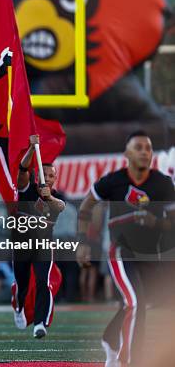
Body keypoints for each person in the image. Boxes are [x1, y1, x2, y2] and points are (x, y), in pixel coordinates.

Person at [76, 131, 175, 367]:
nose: (144, 152)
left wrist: (156, 222)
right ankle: (130, 361)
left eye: (148, 148)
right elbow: (86, 205)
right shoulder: (113, 181)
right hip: (121, 251)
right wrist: (82, 242)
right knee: (134, 303)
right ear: (127, 153)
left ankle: (110, 340)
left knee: (143, 301)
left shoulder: (162, 183)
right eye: (138, 147)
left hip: (151, 255)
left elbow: (172, 222)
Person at [12, 135, 66, 339]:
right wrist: (33, 149)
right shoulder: (27, 190)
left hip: (43, 246)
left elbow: (60, 207)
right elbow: (22, 170)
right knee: (22, 283)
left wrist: (48, 196)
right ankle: (19, 307)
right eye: (45, 174)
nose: (49, 178)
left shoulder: (57, 197)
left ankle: (40, 323)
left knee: (44, 282)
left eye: (52, 175)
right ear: (38, 175)